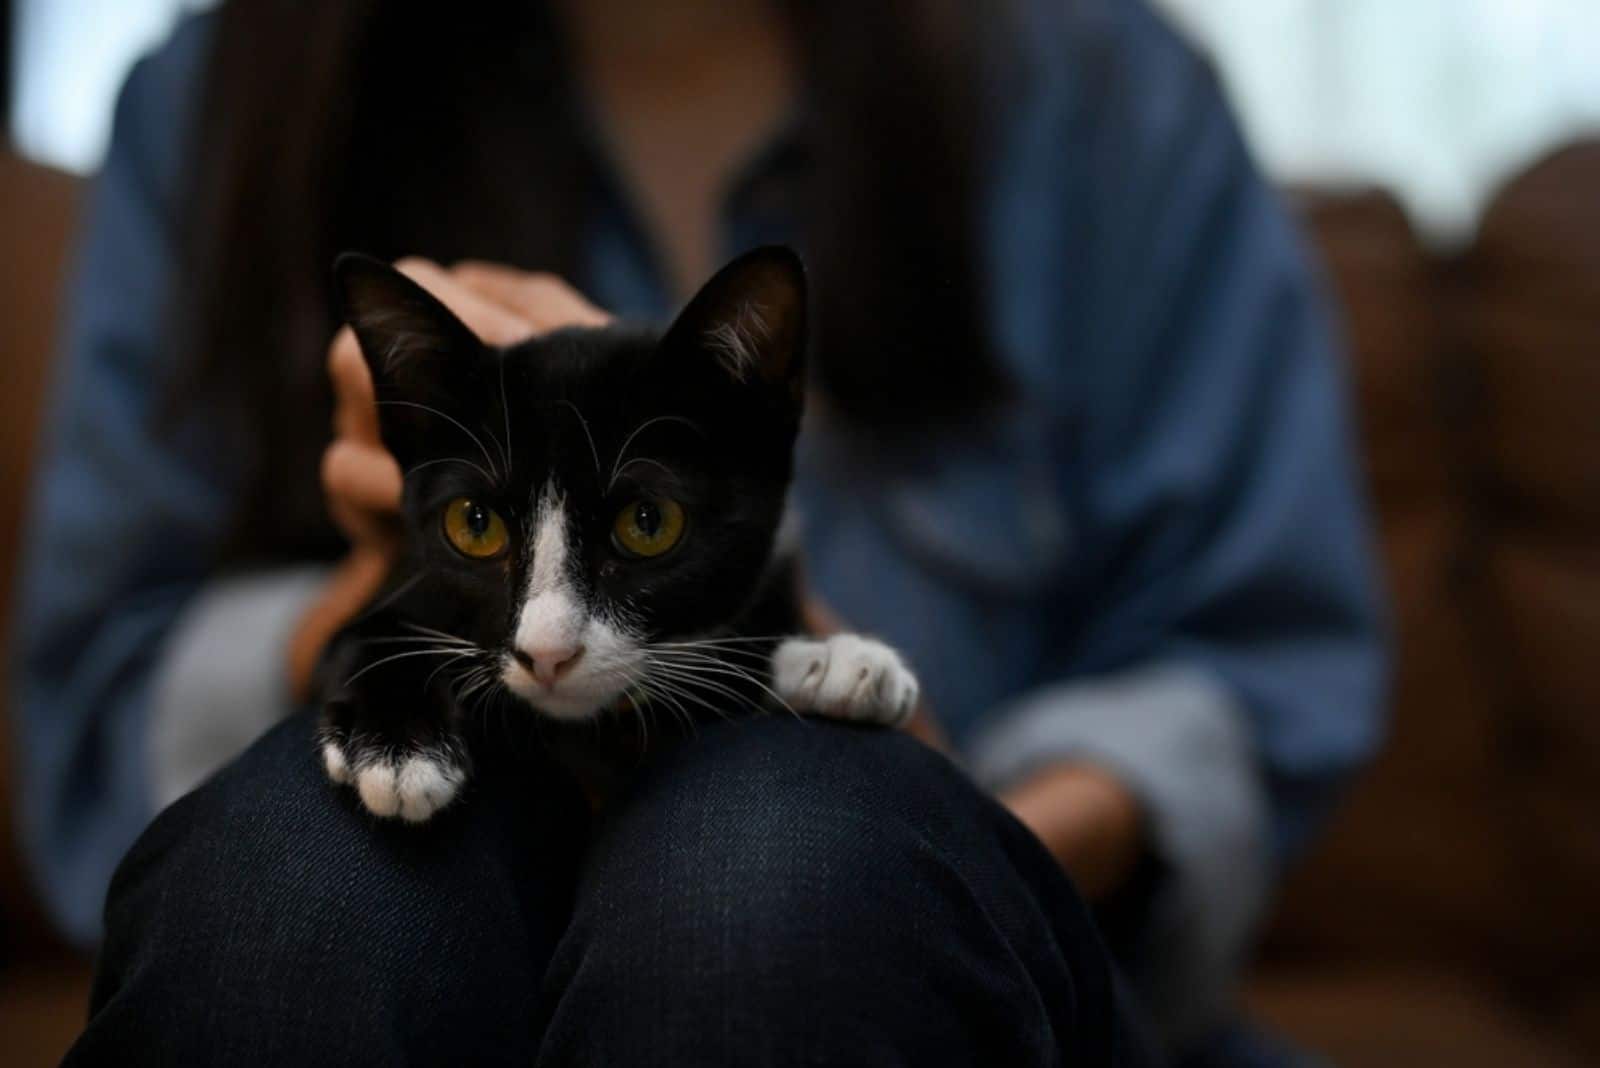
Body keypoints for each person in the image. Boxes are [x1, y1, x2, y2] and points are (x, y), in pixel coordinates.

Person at [12, 0, 1386, 1063]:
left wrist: (958, 822)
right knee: (299, 891)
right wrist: (385, 594)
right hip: (418, 858)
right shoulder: (221, 98)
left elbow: (1252, 662)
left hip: (890, 949)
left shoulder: (1099, 90)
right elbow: (96, 708)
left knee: (765, 865)